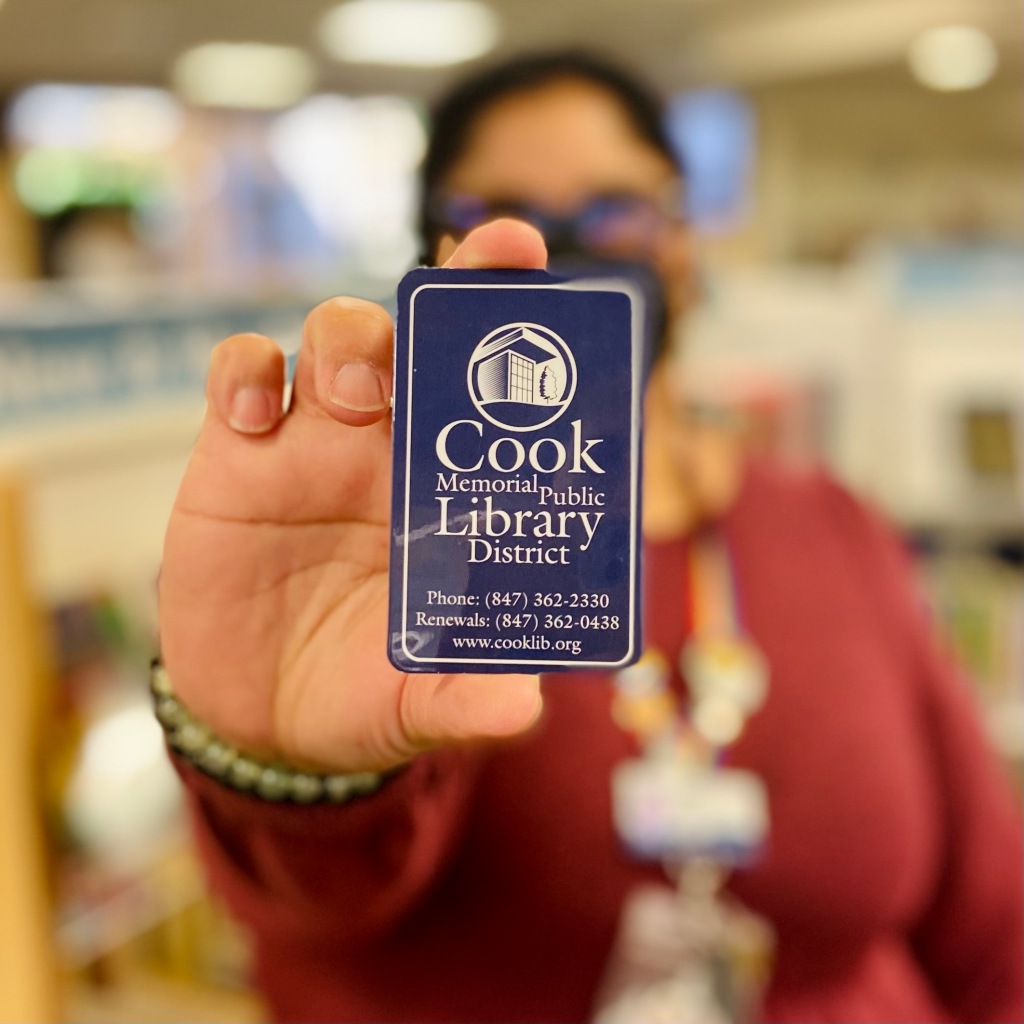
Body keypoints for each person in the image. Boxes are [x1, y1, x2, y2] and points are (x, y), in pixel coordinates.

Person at [157, 52, 1024, 1023]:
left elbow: (992, 924)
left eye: (615, 210)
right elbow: (319, 908)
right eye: (500, 210)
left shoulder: (826, 523)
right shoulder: (417, 554)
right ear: (436, 252)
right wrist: (291, 774)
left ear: (686, 246)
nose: (562, 242)